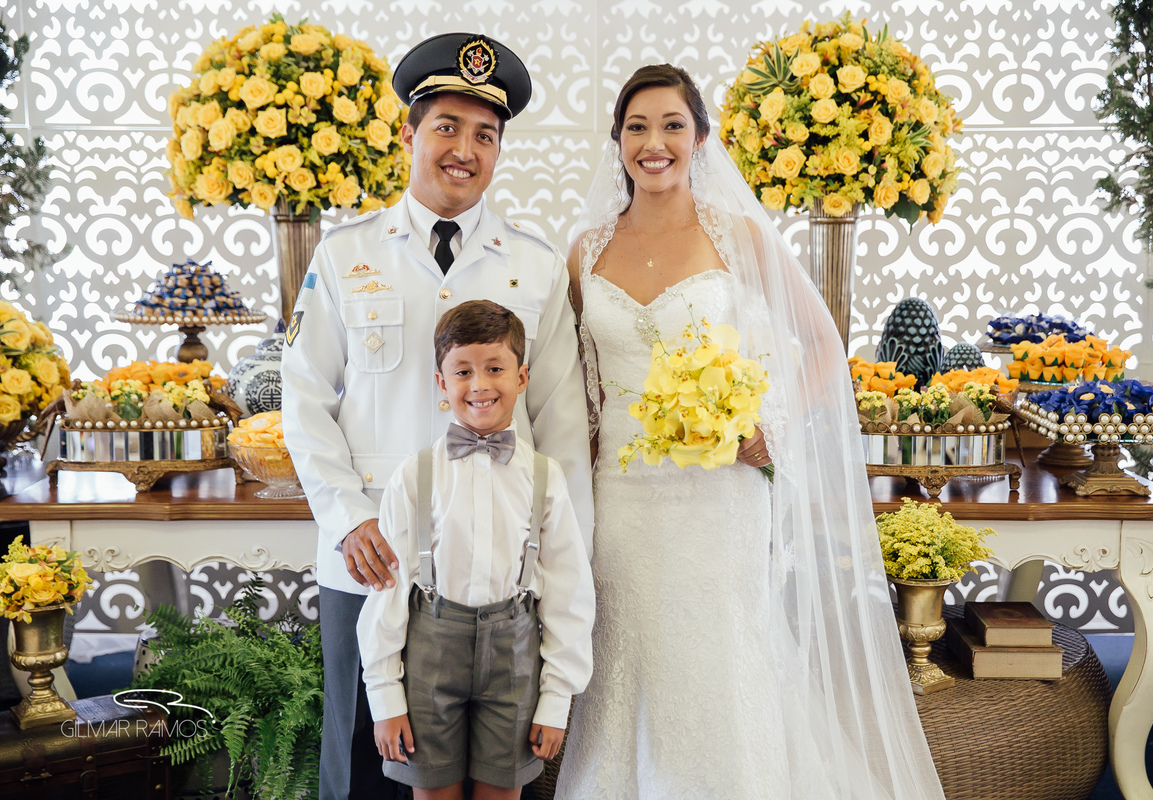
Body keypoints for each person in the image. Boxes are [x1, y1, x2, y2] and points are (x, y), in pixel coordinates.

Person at [553, 65, 945, 799]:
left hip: (720, 496)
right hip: (622, 502)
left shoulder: (735, 236)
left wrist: (775, 429)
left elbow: (823, 347)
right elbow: (575, 386)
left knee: (722, 660)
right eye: (636, 127)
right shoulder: (583, 250)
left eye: (672, 124)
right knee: (627, 660)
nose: (654, 142)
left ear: (700, 138)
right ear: (618, 143)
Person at [280, 33, 593, 800]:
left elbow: (559, 423)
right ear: (408, 133)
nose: (465, 149)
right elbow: (304, 397)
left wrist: (558, 557)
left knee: (496, 771)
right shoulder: (347, 254)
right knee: (363, 764)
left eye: (485, 134)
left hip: (494, 572)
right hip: (373, 559)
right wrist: (348, 519)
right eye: (447, 127)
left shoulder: (537, 266)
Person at [358, 300, 594, 800]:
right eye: (463, 371)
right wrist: (384, 695)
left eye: (495, 369)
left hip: (514, 654)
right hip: (430, 652)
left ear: (522, 376)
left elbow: (569, 591)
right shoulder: (414, 475)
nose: (480, 385)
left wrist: (555, 700)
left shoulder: (546, 478)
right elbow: (388, 590)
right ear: (442, 383)